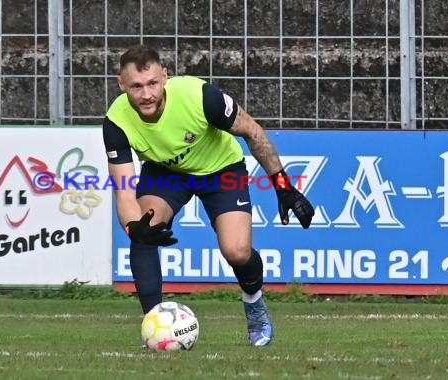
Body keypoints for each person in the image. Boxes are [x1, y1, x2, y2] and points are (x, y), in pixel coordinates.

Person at [102, 44, 314, 347]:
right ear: (121, 85)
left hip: (221, 170)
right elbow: (124, 192)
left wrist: (282, 184)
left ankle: (255, 306)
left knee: (237, 252)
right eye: (136, 86)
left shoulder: (198, 96)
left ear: (165, 76)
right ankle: (154, 326)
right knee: (143, 231)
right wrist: (133, 226)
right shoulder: (116, 121)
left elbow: (253, 131)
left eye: (152, 83)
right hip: (167, 172)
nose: (146, 94)